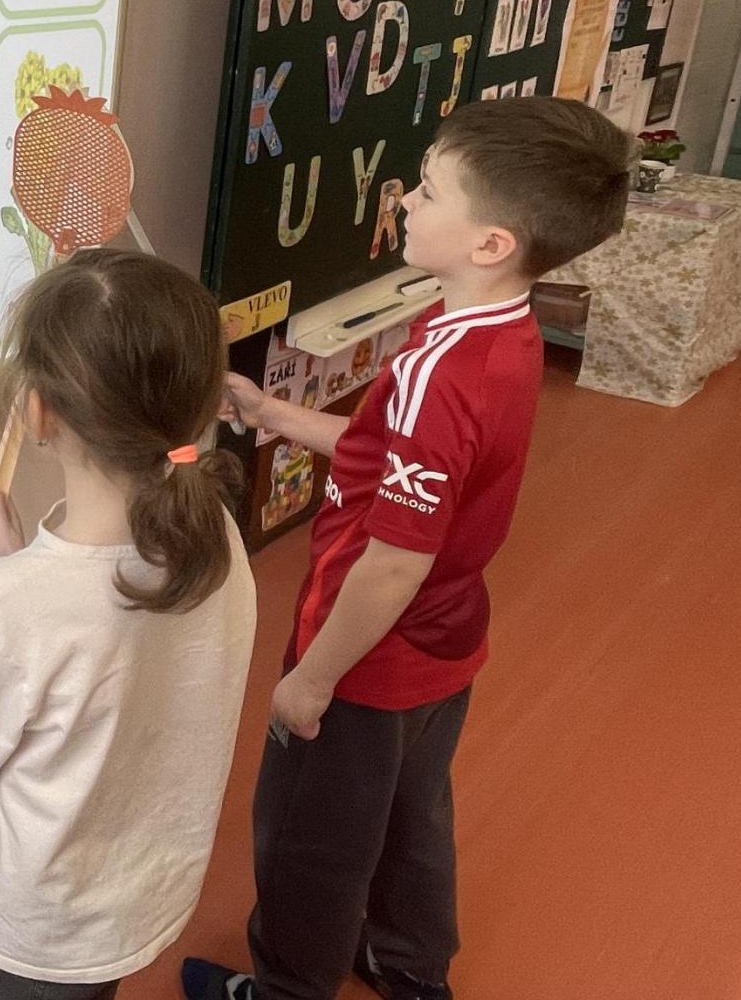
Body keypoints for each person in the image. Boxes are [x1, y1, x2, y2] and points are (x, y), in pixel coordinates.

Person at [184, 97, 634, 1000]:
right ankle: (409, 962)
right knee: (410, 816)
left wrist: (314, 679)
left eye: (428, 190)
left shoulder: (437, 373)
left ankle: (285, 989)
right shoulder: (500, 334)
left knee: (310, 838)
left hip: (364, 659)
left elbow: (394, 559)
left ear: (491, 243)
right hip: (445, 643)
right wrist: (273, 414)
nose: (406, 200)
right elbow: (389, 457)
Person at [0, 250, 258, 1000]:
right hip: (128, 909)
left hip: (27, 938)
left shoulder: (2, 610)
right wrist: (15, 568)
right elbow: (97, 652)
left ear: (38, 415)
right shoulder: (216, 538)